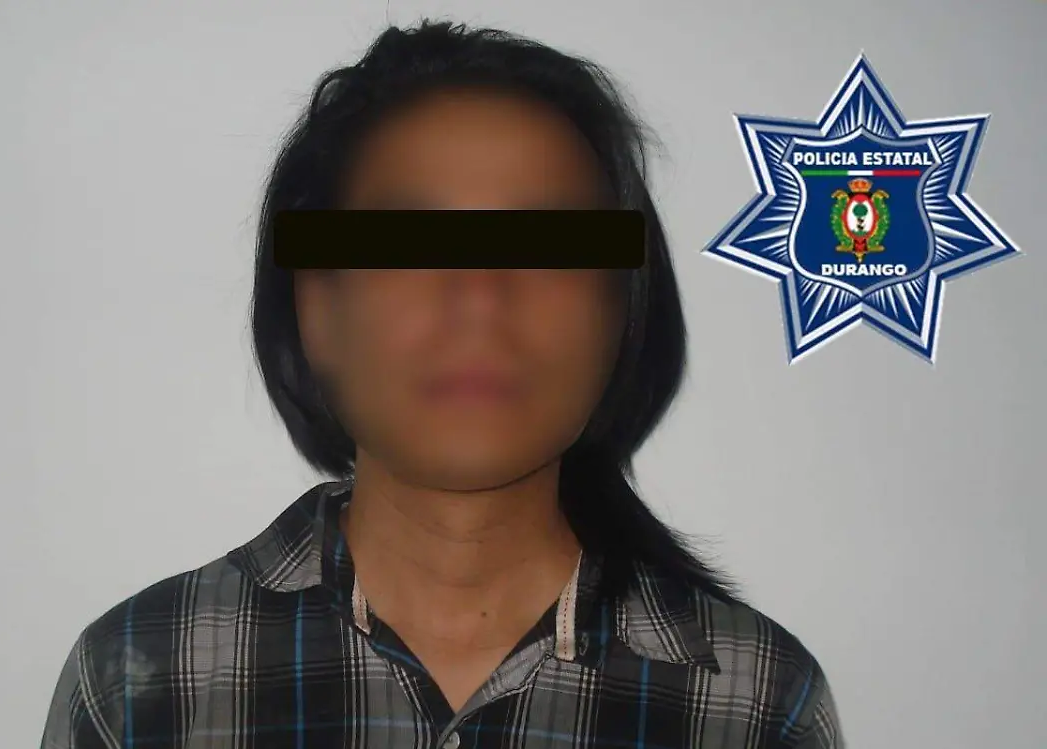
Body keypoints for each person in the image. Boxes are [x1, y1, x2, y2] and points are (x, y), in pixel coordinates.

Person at [41, 20, 842, 749]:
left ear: (620, 313)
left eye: (548, 247)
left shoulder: (754, 706)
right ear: (316, 307)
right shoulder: (142, 687)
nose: (480, 299)